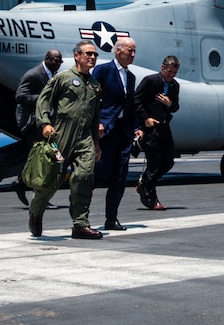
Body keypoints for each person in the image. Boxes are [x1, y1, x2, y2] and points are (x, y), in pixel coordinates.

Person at [26, 40, 103, 240]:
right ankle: (36, 210)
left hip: (85, 137)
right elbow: (44, 99)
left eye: (94, 55)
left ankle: (80, 224)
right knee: (51, 180)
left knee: (84, 177)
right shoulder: (64, 78)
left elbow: (95, 117)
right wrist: (44, 123)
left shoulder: (95, 86)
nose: (92, 57)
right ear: (77, 56)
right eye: (88, 54)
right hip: (61, 135)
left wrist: (96, 142)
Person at [92, 38, 143, 231]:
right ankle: (79, 206)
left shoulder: (130, 77)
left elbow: (129, 107)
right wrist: (96, 122)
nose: (133, 54)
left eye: (134, 51)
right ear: (118, 51)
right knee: (101, 173)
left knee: (120, 177)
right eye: (130, 50)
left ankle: (111, 218)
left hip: (123, 132)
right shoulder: (103, 71)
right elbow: (93, 99)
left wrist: (136, 127)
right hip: (106, 131)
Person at [11, 49, 64, 205]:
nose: (57, 64)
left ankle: (21, 183)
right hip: (34, 124)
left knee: (50, 159)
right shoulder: (33, 74)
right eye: (55, 61)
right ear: (46, 59)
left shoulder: (55, 76)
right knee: (44, 159)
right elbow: (20, 96)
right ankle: (39, 196)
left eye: (59, 62)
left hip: (48, 124)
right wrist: (44, 99)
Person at [134, 56, 181, 211]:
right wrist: (145, 119)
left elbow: (175, 107)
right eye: (169, 71)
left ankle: (144, 183)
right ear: (162, 67)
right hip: (150, 128)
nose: (171, 75)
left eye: (174, 72)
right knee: (154, 164)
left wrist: (169, 103)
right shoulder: (150, 81)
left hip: (164, 127)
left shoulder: (175, 85)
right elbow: (136, 102)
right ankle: (151, 199)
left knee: (168, 162)